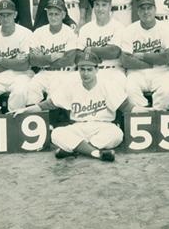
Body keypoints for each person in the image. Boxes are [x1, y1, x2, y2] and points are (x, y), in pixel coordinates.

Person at [12, 51, 150, 162]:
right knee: (56, 134)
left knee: (117, 134)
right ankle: (95, 153)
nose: (85, 73)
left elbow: (127, 107)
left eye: (89, 69)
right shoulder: (72, 85)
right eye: (82, 69)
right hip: (79, 126)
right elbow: (48, 104)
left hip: (103, 125)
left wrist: (149, 111)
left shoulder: (108, 84)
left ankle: (75, 149)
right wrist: (25, 109)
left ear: (97, 70)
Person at [120, 0, 169, 111]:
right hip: (137, 72)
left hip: (161, 71)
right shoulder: (129, 30)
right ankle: (144, 113)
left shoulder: (165, 28)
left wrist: (141, 55)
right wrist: (154, 60)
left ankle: (158, 115)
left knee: (166, 90)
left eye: (149, 8)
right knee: (130, 89)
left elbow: (167, 57)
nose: (146, 12)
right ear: (138, 12)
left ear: (155, 10)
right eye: (142, 9)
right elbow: (126, 61)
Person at [25, 0, 78, 105]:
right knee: (31, 88)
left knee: (54, 94)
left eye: (56, 14)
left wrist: (43, 59)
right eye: (50, 14)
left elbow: (69, 60)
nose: (53, 17)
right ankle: (33, 117)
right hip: (44, 73)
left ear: (63, 15)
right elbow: (32, 60)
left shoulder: (70, 33)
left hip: (64, 73)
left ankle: (53, 120)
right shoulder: (39, 32)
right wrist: (51, 57)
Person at [77, 0, 127, 87]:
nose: (100, 9)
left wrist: (90, 50)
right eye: (97, 5)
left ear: (110, 6)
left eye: (104, 5)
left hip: (113, 71)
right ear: (93, 7)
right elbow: (78, 55)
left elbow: (114, 52)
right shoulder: (85, 29)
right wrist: (103, 51)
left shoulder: (118, 26)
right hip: (91, 71)